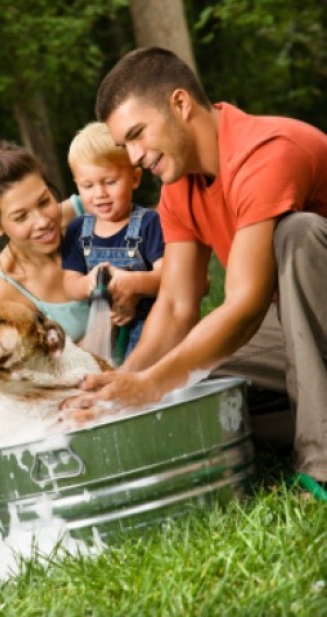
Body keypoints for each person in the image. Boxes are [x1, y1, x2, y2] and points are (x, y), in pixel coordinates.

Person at [62, 47, 327, 496]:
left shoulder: (266, 152)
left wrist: (150, 385)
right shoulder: (179, 186)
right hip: (304, 331)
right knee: (188, 378)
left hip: (312, 309)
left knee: (297, 234)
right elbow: (177, 306)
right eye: (125, 144)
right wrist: (123, 384)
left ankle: (320, 468)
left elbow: (243, 307)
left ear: (180, 104)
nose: (135, 155)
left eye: (137, 134)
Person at [0, 142, 89, 439]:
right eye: (21, 217)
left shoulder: (89, 211)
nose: (43, 221)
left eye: (44, 201)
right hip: (83, 398)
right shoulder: (3, 291)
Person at [61, 121, 164, 360]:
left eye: (110, 182)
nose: (100, 194)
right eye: (87, 186)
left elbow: (168, 276)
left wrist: (134, 283)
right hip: (104, 328)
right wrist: (88, 283)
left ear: (135, 178)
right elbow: (69, 283)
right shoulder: (78, 231)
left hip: (151, 327)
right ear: (77, 185)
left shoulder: (149, 224)